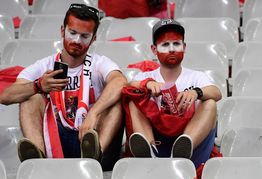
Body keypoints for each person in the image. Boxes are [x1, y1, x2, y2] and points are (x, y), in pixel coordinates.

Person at [8, 3, 127, 170]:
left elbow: (120, 81)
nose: (77, 41)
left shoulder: (99, 62)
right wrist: (38, 86)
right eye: (72, 33)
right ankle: (38, 155)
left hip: (94, 135)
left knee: (117, 98)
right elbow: (6, 96)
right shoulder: (46, 64)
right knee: (29, 95)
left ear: (93, 39)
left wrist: (93, 113)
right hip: (57, 138)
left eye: (84, 36)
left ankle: (95, 153)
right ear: (62, 31)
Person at [124, 19, 222, 168]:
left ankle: (183, 148)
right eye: (165, 45)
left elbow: (216, 92)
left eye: (176, 44)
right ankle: (148, 150)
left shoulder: (196, 76)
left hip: (191, 146)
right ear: (154, 49)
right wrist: (148, 84)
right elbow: (129, 85)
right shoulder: (145, 77)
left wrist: (196, 92)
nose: (171, 49)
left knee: (210, 102)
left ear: (184, 47)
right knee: (134, 98)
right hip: (158, 142)